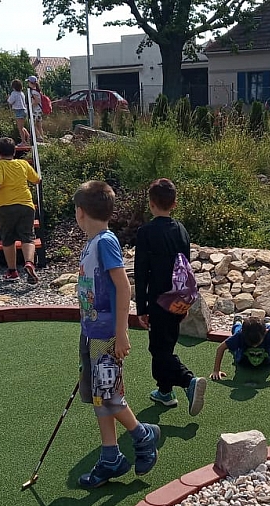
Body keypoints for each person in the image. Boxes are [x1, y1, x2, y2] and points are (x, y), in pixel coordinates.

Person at [74, 179, 160, 488]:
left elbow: (123, 287)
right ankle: (111, 456)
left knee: (109, 395)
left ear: (80, 212)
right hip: (93, 332)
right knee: (101, 396)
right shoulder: (91, 243)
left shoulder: (105, 242)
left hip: (108, 335)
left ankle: (142, 435)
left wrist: (122, 332)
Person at [134, 178, 206, 416]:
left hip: (158, 299)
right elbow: (186, 268)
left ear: (151, 203)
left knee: (159, 349)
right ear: (174, 204)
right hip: (178, 297)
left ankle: (188, 381)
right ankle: (164, 391)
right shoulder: (181, 230)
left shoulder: (146, 232)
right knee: (165, 344)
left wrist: (141, 308)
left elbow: (141, 272)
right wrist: (186, 304)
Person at [0, 137, 40, 284]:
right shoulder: (23, 164)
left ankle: (12, 271)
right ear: (14, 151)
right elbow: (36, 180)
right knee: (28, 237)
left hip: (5, 207)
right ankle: (29, 263)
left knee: (8, 239)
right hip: (26, 205)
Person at [211, 315, 270, 383]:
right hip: (243, 359)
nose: (254, 346)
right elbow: (220, 348)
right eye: (251, 344)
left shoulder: (269, 333)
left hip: (267, 359)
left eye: (257, 343)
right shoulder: (240, 334)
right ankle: (238, 322)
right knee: (236, 330)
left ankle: (268, 323)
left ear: (265, 333)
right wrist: (216, 371)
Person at [7, 79, 31, 146]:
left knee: (20, 128)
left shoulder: (14, 93)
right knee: (22, 127)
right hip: (24, 110)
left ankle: (23, 141)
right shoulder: (21, 93)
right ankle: (28, 138)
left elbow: (10, 101)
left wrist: (8, 98)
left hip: (18, 110)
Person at [26, 76, 46, 143]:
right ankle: (42, 138)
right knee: (39, 125)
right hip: (39, 111)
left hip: (35, 111)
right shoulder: (38, 91)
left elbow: (37, 101)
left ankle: (39, 136)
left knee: (33, 124)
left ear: (31, 83)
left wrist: (30, 105)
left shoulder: (33, 92)